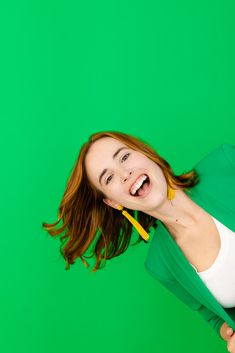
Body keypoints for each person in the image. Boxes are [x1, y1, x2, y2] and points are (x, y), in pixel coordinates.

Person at [42, 131, 235, 352]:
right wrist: (226, 331)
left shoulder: (225, 164)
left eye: (124, 157)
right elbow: (210, 314)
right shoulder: (160, 265)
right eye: (109, 178)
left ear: (145, 153)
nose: (124, 174)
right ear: (113, 202)